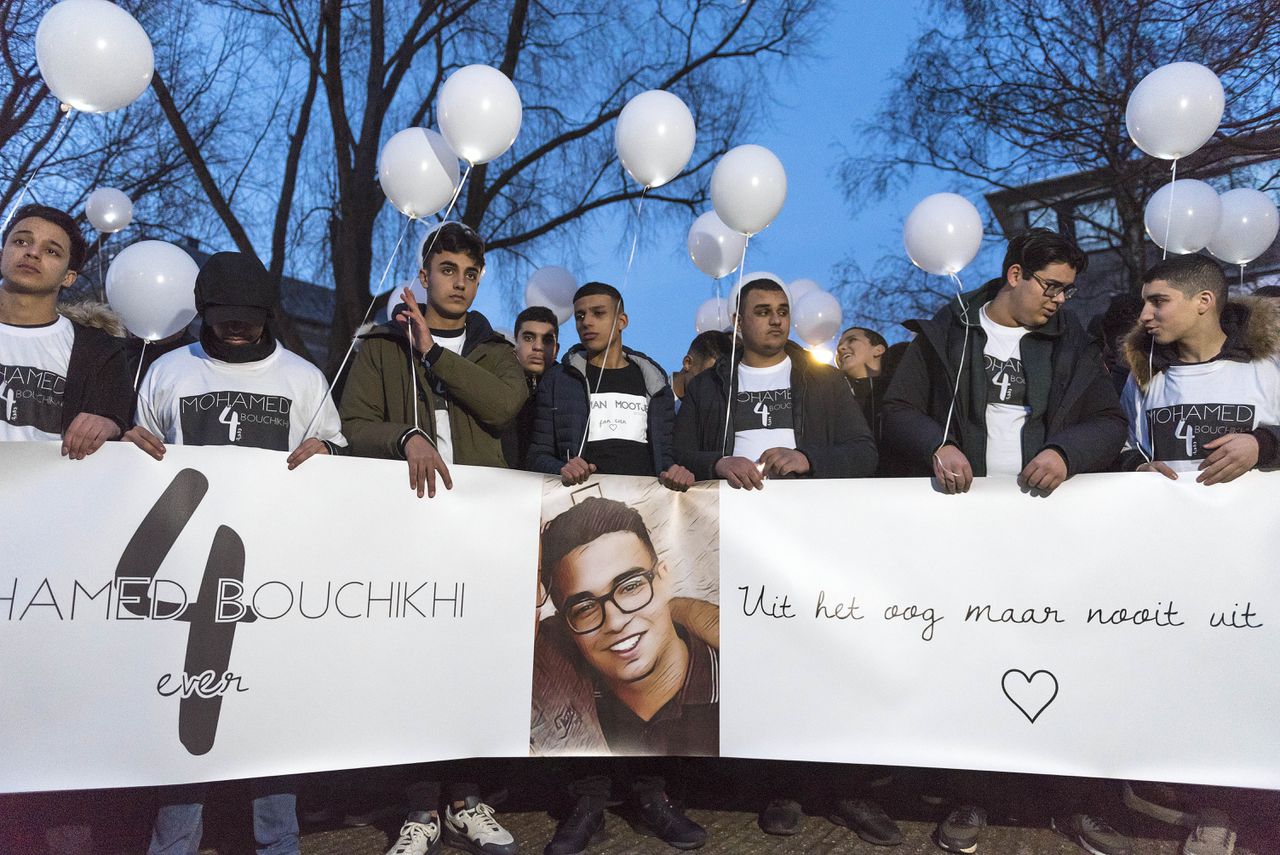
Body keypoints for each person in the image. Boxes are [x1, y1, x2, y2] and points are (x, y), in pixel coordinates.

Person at [124, 250, 346, 855]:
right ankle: (173, 844)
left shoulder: (301, 377)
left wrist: (328, 456)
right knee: (185, 717)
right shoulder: (170, 371)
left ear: (267, 313)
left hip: (272, 577)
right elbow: (138, 461)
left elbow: (336, 460)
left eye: (250, 315)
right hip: (185, 578)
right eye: (226, 315)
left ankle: (279, 843)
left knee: (266, 718)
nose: (240, 327)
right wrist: (130, 449)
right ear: (204, 312)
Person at [882, 227, 1126, 501]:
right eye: (1052, 286)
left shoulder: (1075, 343)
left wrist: (1065, 453)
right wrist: (938, 446)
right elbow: (899, 409)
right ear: (1015, 275)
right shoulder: (945, 332)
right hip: (957, 503)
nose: (1059, 299)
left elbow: (1109, 421)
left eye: (1066, 290)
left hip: (1048, 505)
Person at [537, 497, 715, 853]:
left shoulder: (725, 668)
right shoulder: (561, 664)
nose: (616, 621)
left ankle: (653, 798)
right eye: (585, 607)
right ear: (564, 619)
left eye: (631, 585)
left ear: (663, 578)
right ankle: (588, 803)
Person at [340, 222, 526, 498]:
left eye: (471, 274)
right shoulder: (384, 345)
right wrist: (405, 438)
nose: (461, 283)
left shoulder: (496, 349)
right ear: (425, 278)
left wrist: (433, 353)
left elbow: (505, 408)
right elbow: (353, 427)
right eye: (448, 270)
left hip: (479, 505)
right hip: (403, 499)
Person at [673, 277, 877, 488]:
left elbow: (864, 453)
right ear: (738, 322)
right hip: (729, 512)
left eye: (783, 312)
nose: (776, 321)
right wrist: (718, 463)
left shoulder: (826, 380)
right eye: (763, 312)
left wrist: (807, 459)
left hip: (809, 511)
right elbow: (679, 455)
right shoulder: (708, 384)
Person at [1119, 253, 1280, 485]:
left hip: (1254, 519)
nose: (1144, 315)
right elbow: (1122, 445)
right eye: (1144, 303)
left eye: (1159, 301)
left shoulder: (1269, 366)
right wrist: (1136, 466)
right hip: (1168, 517)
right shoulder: (1144, 373)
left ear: (1204, 301)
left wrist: (1262, 445)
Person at [526, 282, 694, 491]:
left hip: (645, 506)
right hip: (579, 505)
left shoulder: (655, 384)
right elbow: (537, 456)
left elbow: (668, 455)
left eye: (598, 313)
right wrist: (562, 468)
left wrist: (676, 472)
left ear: (622, 321)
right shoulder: (558, 380)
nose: (586, 322)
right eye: (580, 316)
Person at [0, 203, 130, 457]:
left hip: (49, 492)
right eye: (21, 242)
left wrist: (111, 426)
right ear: (2, 253)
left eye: (51, 251)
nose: (33, 253)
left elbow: (121, 430)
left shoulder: (98, 352)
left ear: (68, 277)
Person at [503, 305, 559, 468]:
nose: (538, 347)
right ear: (515, 345)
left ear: (556, 349)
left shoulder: (567, 390)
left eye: (547, 340)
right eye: (529, 338)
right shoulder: (498, 385)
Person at [835, 325, 889, 439]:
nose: (840, 349)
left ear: (878, 350)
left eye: (852, 340)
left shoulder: (903, 390)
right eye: (839, 346)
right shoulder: (831, 399)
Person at [671, 330, 732, 407]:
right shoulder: (654, 395)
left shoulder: (712, 412)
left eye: (718, 381)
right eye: (706, 377)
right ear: (687, 363)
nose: (710, 388)